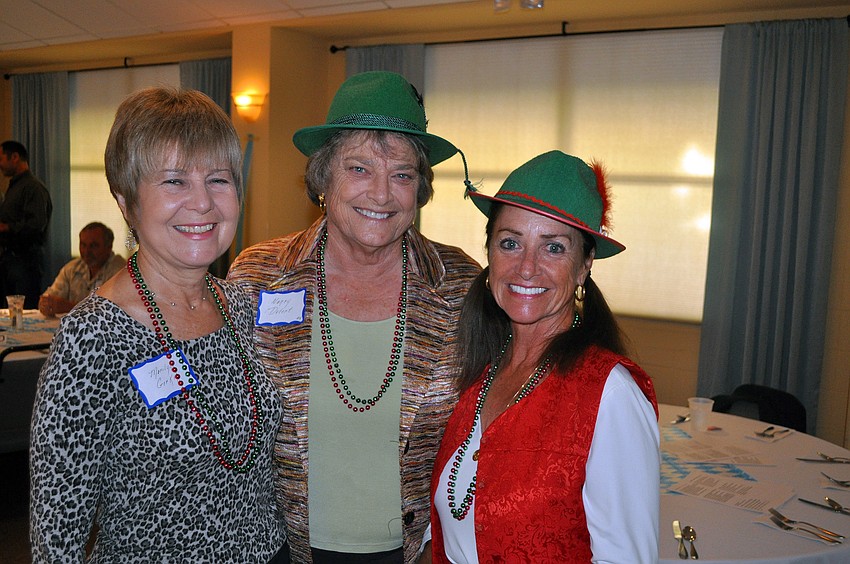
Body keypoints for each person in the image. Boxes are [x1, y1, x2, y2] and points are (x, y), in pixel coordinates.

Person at [228, 71, 481, 564]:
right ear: (324, 178)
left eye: (402, 175)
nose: (382, 194)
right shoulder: (259, 276)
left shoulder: (461, 285)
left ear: (420, 189)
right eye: (359, 169)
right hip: (283, 548)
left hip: (418, 551)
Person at [29, 87, 287, 562]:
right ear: (127, 203)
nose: (203, 204)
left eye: (218, 179)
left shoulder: (240, 305)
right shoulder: (93, 336)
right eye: (173, 182)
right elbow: (57, 532)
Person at [428, 150, 660, 563]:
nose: (527, 267)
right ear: (489, 253)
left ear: (585, 264)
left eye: (553, 247)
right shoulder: (479, 370)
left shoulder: (611, 394)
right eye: (510, 243)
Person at [0, 140, 53, 309]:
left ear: (14, 157)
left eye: (1, 159)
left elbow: (37, 225)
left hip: (25, 264)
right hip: (10, 263)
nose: (0, 165)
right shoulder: (15, 187)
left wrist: (6, 227)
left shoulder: (33, 188)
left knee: (25, 316)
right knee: (10, 318)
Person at [38, 222, 125, 316]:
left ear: (109, 247)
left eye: (93, 246)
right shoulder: (72, 268)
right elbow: (49, 297)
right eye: (83, 245)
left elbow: (113, 313)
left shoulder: (120, 270)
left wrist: (69, 307)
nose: (87, 252)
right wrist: (46, 304)